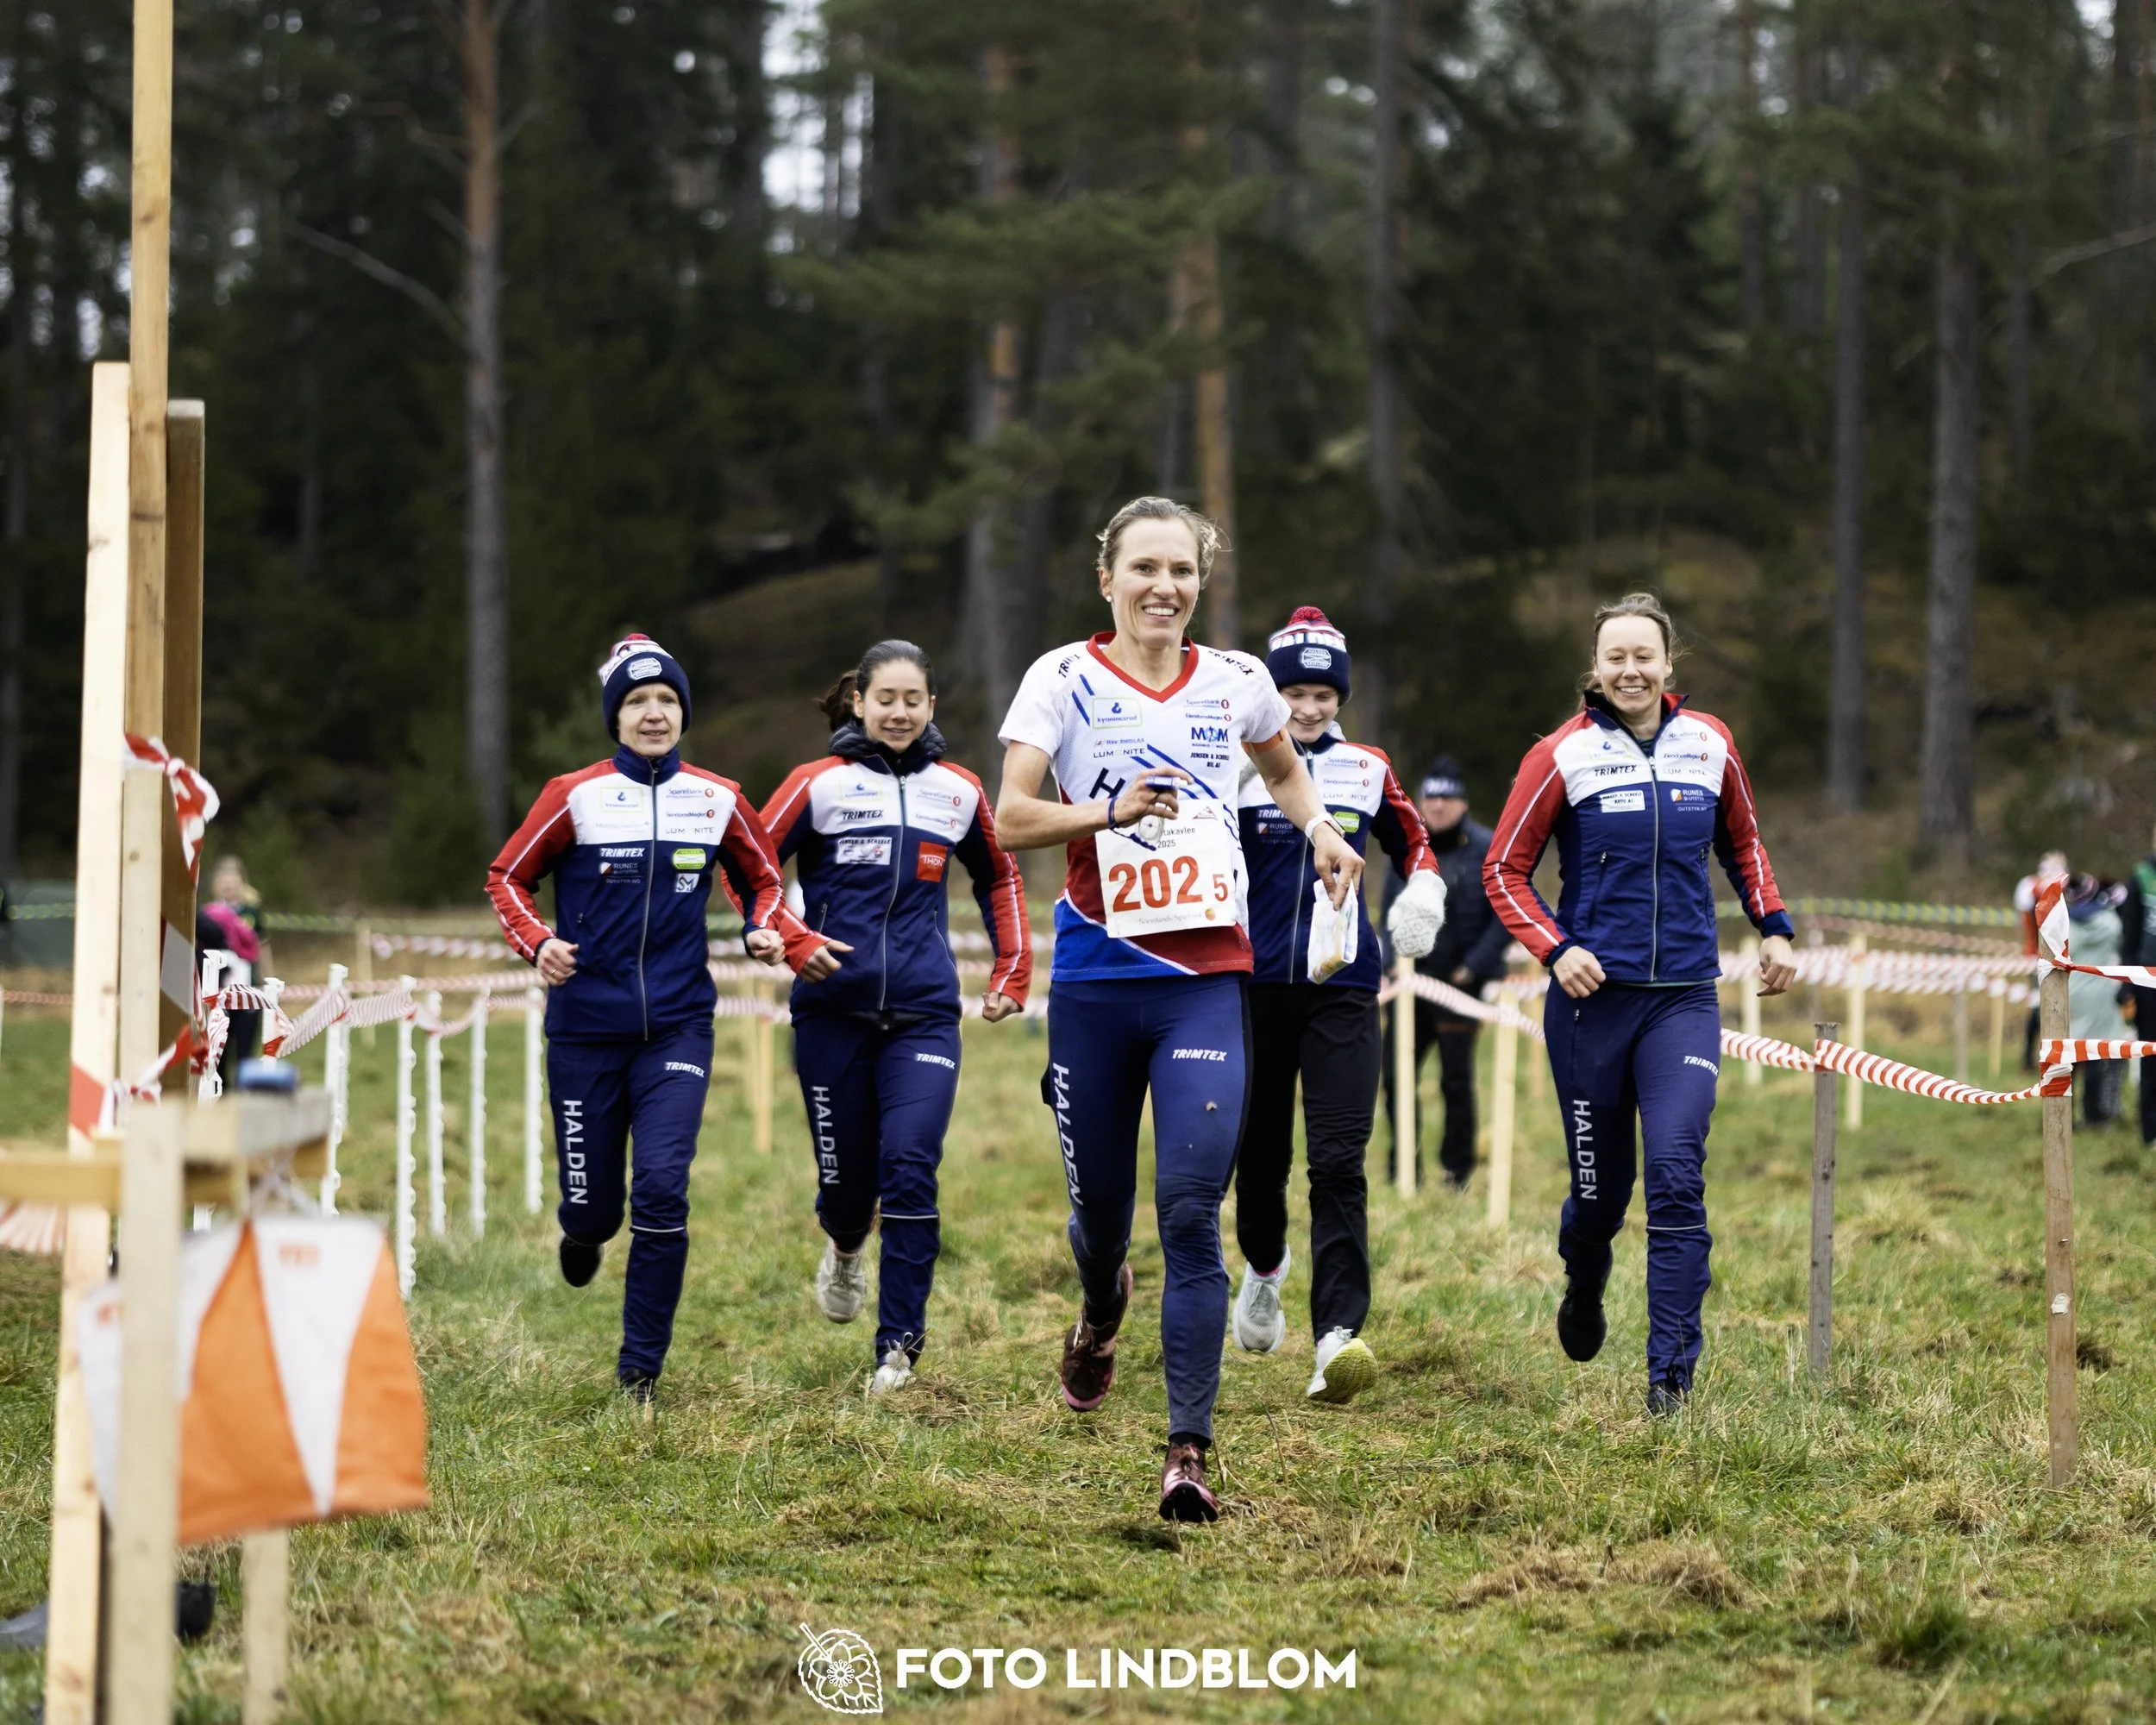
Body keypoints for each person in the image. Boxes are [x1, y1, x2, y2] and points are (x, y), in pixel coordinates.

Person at [994, 497, 1366, 1522]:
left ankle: (1188, 1449)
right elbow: (1010, 813)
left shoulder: (1239, 679)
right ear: (1107, 577)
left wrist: (1324, 829)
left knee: (1190, 1213)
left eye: (1183, 571)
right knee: (1102, 1221)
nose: (1164, 586)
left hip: (1206, 979)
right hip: (1098, 978)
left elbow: (1282, 764)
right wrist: (1104, 809)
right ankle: (1099, 1308)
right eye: (1145, 568)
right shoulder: (1060, 677)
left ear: (1202, 582)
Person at [487, 634, 826, 1402]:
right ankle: (582, 1229)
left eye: (667, 700)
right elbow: (508, 875)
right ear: (615, 716)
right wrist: (536, 943)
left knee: (664, 1189)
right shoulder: (573, 794)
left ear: (683, 713)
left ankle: (640, 1369)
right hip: (584, 1030)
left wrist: (763, 927)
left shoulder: (717, 797)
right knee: (596, 1210)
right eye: (638, 701)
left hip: (678, 1027)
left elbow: (764, 879)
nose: (653, 713)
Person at [1486, 593, 1796, 1415]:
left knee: (1674, 1173)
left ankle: (1670, 1380)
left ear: (1669, 664)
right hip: (1593, 1007)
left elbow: (1745, 842)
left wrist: (1774, 926)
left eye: (1644, 656)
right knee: (1600, 1199)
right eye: (1615, 657)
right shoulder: (1561, 754)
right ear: (1596, 668)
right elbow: (1502, 872)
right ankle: (1584, 1288)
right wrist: (1559, 950)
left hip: (1684, 1000)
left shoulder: (1710, 743)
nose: (1631, 669)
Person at [761, 640, 1033, 1396]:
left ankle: (899, 1349)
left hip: (922, 1017)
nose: (900, 712)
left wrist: (1012, 970)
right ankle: (845, 1246)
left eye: (914, 700)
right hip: (832, 1014)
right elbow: (748, 863)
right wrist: (791, 938)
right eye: (886, 699)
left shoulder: (960, 790)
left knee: (911, 1169)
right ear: (860, 702)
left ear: (932, 707)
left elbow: (1001, 877)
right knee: (849, 1191)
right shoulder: (816, 784)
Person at [1227, 606, 1445, 1403]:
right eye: (1294, 693)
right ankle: (1263, 1265)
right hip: (1248, 990)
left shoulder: (1366, 767)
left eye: (1323, 694)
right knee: (1258, 1159)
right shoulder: (1237, 763)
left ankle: (1336, 1337)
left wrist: (1423, 893)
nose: (1309, 708)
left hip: (1343, 990)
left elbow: (1417, 843)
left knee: (1339, 1163)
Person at [1378, 756, 1516, 1189]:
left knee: (1456, 1080)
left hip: (1462, 986)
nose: (1437, 805)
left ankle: (1457, 1170)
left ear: (1463, 802)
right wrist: (1389, 964)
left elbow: (1505, 917)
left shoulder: (1487, 847)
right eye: (1430, 797)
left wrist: (1473, 966)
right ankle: (1405, 1165)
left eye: (1446, 797)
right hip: (1409, 985)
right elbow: (1388, 914)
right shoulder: (1407, 847)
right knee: (1395, 1077)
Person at [2063, 873, 2130, 1127]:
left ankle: (2062, 1114)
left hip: (2069, 993)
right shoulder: (2109, 921)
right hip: (2101, 994)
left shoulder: (2062, 923)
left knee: (2066, 1057)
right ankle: (2095, 1114)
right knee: (2096, 1055)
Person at [199, 856, 267, 1090]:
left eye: (233, 880)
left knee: (246, 1049)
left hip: (249, 990)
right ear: (215, 884)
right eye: (223, 880)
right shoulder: (207, 914)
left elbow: (262, 948)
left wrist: (266, 982)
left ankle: (244, 1096)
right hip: (219, 991)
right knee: (220, 1048)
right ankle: (220, 1095)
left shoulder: (253, 913)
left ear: (242, 882)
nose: (229, 885)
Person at [2015, 850, 2070, 1070]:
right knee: (2038, 1008)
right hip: (2036, 956)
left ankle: (2051, 1055)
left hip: (2059, 958)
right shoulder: (2030, 887)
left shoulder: (2059, 889)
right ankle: (2032, 1057)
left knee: (2055, 1007)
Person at [2120, 825, 2156, 1145]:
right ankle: (2150, 1133)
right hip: (2148, 987)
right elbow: (2129, 936)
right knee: (2150, 1060)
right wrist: (2125, 983)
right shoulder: (2142, 877)